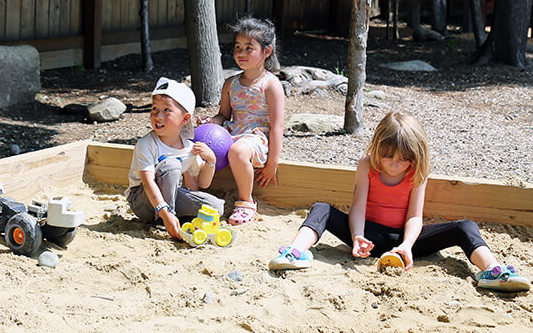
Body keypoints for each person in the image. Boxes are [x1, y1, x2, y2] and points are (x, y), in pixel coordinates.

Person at [269, 112, 530, 293]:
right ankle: (296, 252)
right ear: (378, 148)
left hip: (404, 242)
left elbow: (415, 217)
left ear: (414, 157)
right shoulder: (366, 164)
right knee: (322, 208)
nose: (394, 165)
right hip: (367, 236)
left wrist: (406, 246)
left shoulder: (417, 171)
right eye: (387, 157)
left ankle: (492, 272)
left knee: (465, 226)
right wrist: (357, 235)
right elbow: (357, 206)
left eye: (402, 159)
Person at [206, 16, 284, 226]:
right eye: (237, 47)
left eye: (249, 48)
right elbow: (223, 115)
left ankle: (246, 201)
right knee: (197, 146)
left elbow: (277, 126)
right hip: (233, 132)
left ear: (266, 51)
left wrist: (272, 164)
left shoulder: (270, 84)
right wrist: (211, 121)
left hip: (257, 139)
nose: (241, 53)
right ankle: (194, 194)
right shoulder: (231, 83)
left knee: (238, 151)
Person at [127, 77, 225, 240]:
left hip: (168, 196)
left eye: (167, 110)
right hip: (142, 200)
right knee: (171, 165)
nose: (158, 115)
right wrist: (165, 214)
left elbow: (203, 183)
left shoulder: (189, 148)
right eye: (154, 109)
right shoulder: (147, 144)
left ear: (185, 119)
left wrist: (210, 161)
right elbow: (147, 182)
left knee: (216, 207)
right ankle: (164, 220)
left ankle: (175, 219)